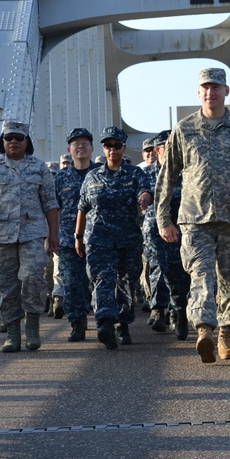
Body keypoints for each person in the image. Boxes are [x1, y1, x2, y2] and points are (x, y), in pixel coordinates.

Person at [155, 68, 230, 363]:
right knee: (202, 276)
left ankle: (226, 336)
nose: (211, 93)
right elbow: (166, 177)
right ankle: (205, 330)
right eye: (205, 88)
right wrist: (163, 219)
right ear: (198, 93)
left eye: (216, 87)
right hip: (195, 219)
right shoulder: (184, 129)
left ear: (226, 91)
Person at [0, 121, 60, 352]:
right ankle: (12, 333)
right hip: (1, 235)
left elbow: (50, 203)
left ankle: (31, 327)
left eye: (18, 138)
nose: (13, 141)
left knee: (33, 277)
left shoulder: (39, 167)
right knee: (6, 285)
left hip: (33, 234)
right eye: (8, 137)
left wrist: (53, 234)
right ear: (2, 142)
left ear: (26, 141)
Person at [75, 127, 153, 349]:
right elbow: (82, 208)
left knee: (127, 282)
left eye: (116, 145)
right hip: (99, 238)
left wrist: (145, 198)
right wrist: (78, 237)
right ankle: (105, 323)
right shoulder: (92, 177)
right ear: (103, 148)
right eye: (108, 145)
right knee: (103, 278)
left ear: (123, 147)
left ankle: (123, 324)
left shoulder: (135, 174)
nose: (112, 149)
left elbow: (145, 190)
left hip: (127, 239)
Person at [142, 130, 192, 339]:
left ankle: (177, 310)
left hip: (180, 229)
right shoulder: (146, 174)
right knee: (157, 269)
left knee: (179, 272)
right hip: (155, 230)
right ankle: (158, 308)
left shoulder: (187, 173)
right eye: (166, 147)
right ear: (157, 150)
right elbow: (141, 192)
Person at [55, 128, 101, 341]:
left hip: (99, 237)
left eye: (85, 143)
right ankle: (77, 323)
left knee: (101, 281)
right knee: (72, 283)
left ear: (92, 149)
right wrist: (50, 236)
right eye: (76, 143)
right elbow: (52, 208)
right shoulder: (61, 177)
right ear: (68, 149)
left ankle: (105, 321)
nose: (80, 146)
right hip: (67, 237)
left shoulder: (101, 173)